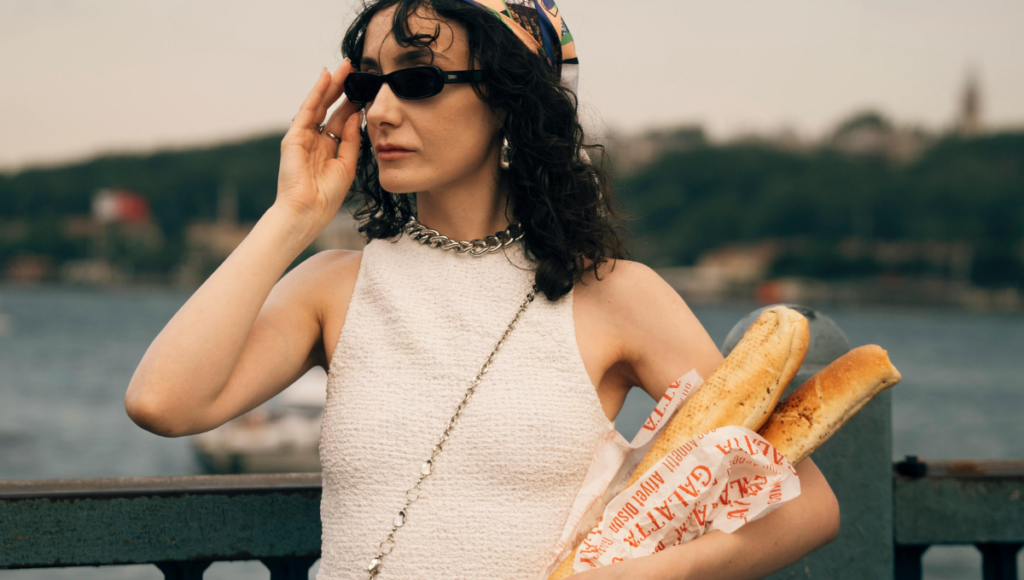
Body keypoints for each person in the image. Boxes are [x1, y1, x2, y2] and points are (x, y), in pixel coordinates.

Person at [124, 0, 840, 578]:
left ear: (509, 101)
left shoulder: (616, 297)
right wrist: (295, 216)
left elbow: (804, 507)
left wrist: (644, 576)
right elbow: (164, 402)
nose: (377, 112)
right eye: (367, 84)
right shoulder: (335, 287)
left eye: (420, 80)